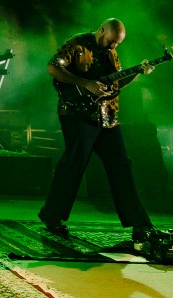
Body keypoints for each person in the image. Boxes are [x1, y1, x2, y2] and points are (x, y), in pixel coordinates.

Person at [38, 17, 156, 244]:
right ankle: (52, 216)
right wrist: (85, 83)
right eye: (111, 41)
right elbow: (52, 67)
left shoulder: (112, 53)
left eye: (117, 44)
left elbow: (117, 83)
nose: (114, 47)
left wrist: (139, 72)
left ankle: (141, 224)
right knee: (73, 164)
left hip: (108, 118)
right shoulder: (77, 44)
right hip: (77, 115)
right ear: (102, 31)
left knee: (122, 165)